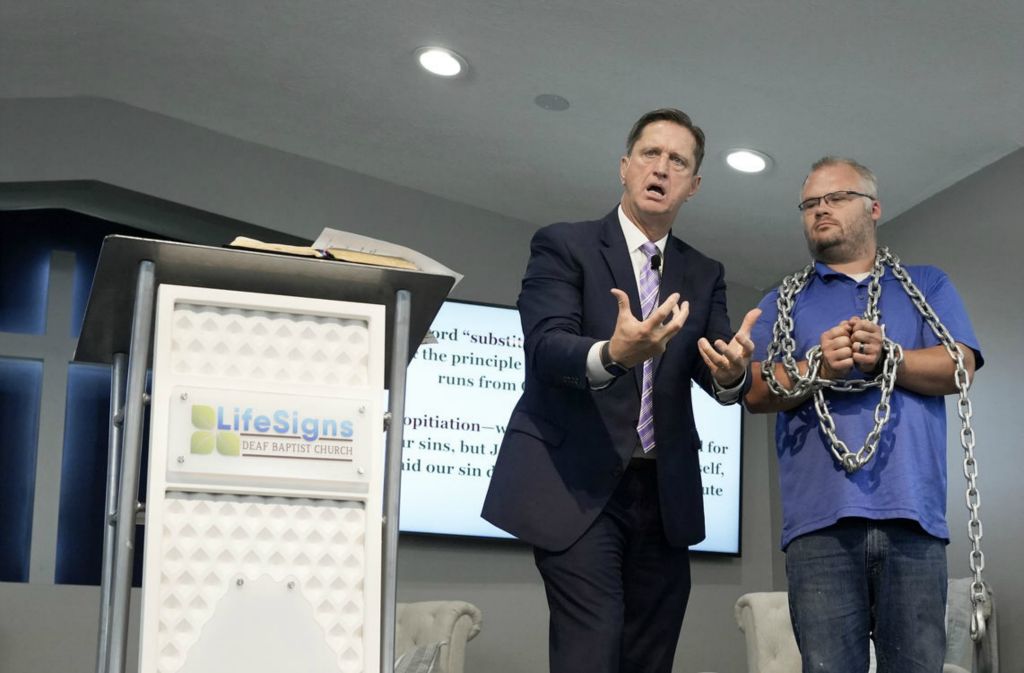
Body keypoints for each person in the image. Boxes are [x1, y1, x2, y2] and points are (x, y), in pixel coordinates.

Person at [481, 108, 760, 673]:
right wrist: (613, 354)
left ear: (694, 185)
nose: (661, 168)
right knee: (593, 648)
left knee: (648, 659)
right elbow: (545, 346)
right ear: (625, 166)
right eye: (650, 154)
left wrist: (732, 374)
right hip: (577, 488)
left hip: (664, 492)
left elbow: (716, 370)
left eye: (677, 161)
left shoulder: (703, 273)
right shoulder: (565, 245)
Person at [745, 156, 984, 673]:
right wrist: (819, 368)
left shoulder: (925, 285)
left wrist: (886, 358)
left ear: (873, 208)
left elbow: (959, 364)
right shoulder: (784, 299)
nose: (819, 210)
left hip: (913, 520)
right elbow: (757, 390)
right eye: (809, 204)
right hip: (819, 527)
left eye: (835, 198)